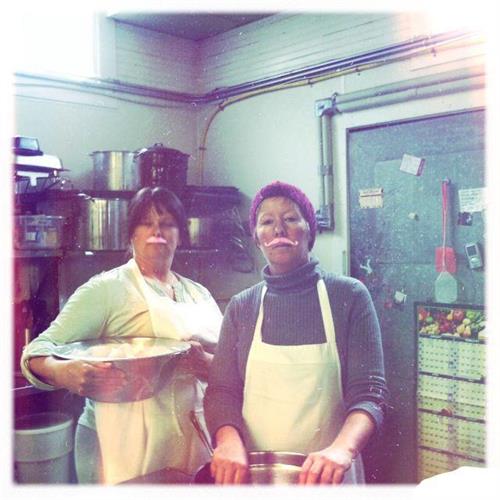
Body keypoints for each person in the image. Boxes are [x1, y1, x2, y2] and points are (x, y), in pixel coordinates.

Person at [21, 187, 223, 484]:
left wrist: (206, 364)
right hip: (121, 445)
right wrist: (64, 372)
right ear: (132, 235)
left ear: (180, 235)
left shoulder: (198, 293)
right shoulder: (107, 290)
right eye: (146, 223)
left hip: (192, 438)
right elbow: (36, 350)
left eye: (167, 224)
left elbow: (228, 365)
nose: (157, 231)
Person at [204, 180, 389, 485]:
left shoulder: (349, 296)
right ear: (257, 237)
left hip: (330, 477)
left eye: (290, 218)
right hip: (257, 474)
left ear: (309, 231)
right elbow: (222, 391)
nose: (279, 229)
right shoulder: (242, 306)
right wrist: (227, 441)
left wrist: (342, 449)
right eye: (267, 222)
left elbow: (370, 394)